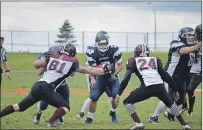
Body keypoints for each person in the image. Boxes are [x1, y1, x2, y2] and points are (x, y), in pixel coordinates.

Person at [0, 43, 115, 127]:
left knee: (18, 107)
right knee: (65, 107)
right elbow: (89, 70)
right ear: (72, 54)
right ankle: (51, 121)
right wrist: (105, 70)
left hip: (37, 85)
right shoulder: (72, 62)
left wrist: (47, 63)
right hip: (47, 88)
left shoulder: (52, 56)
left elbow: (36, 64)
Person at [114, 44, 191, 130]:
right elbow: (166, 75)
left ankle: (138, 123)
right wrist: (175, 90)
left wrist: (118, 95)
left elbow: (126, 79)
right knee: (170, 104)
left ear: (136, 52)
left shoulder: (133, 60)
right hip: (160, 86)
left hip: (147, 87)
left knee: (127, 102)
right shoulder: (154, 60)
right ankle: (184, 125)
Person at [149, 27, 201, 122]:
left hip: (181, 78)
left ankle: (170, 113)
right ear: (183, 37)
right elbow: (183, 51)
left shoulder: (194, 46)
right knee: (167, 98)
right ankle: (153, 117)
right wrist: (199, 45)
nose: (191, 38)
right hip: (170, 76)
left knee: (180, 100)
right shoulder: (176, 43)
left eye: (193, 36)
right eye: (189, 36)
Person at [76, 33, 120, 122]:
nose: (102, 46)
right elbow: (91, 69)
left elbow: (120, 65)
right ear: (97, 43)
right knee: (93, 97)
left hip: (112, 77)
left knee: (114, 96)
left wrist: (113, 74)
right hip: (100, 77)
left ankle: (113, 113)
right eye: (100, 44)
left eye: (104, 43)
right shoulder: (92, 51)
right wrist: (94, 77)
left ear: (107, 42)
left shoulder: (114, 49)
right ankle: (89, 117)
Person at [33, 45, 69, 125]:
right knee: (43, 105)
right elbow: (38, 73)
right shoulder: (45, 57)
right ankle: (38, 113)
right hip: (50, 85)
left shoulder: (66, 58)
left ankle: (58, 117)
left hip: (62, 84)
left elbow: (72, 73)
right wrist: (46, 65)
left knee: (65, 105)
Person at [186, 24, 202, 116]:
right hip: (191, 69)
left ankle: (190, 110)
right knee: (188, 90)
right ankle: (189, 109)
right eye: (199, 33)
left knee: (190, 89)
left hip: (200, 70)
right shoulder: (193, 41)